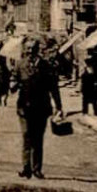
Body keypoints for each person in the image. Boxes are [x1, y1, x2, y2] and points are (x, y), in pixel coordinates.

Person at [15, 39, 63, 179]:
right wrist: (13, 85)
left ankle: (37, 168)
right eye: (28, 49)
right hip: (24, 107)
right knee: (26, 136)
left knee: (37, 139)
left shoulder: (46, 66)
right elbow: (14, 79)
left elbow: (53, 87)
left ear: (37, 50)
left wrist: (59, 105)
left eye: (33, 49)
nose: (30, 52)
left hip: (41, 108)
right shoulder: (20, 65)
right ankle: (26, 168)